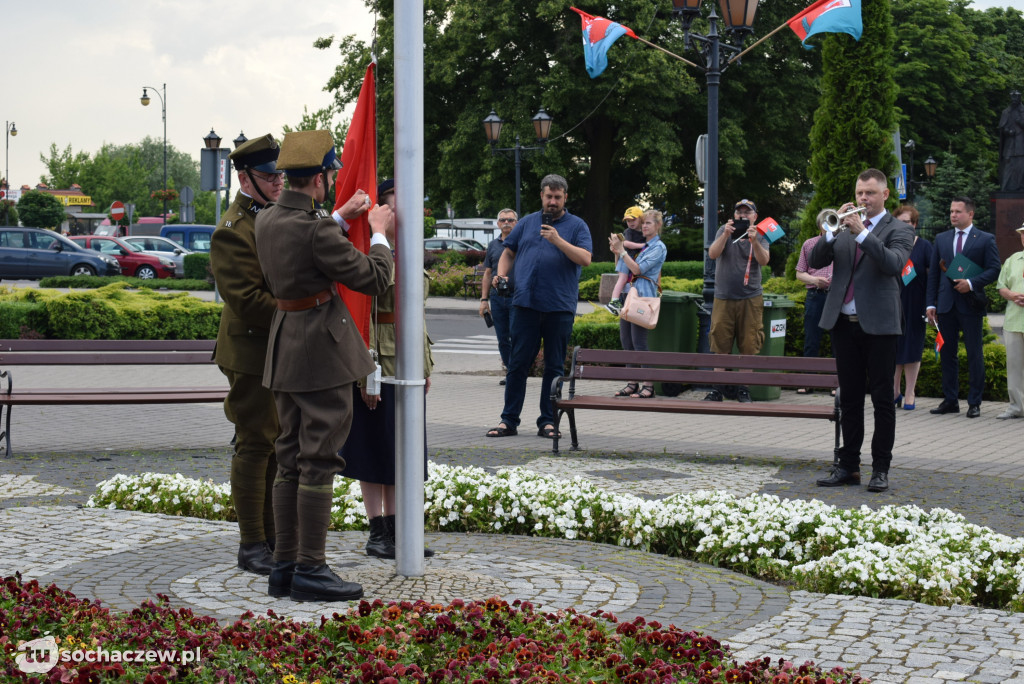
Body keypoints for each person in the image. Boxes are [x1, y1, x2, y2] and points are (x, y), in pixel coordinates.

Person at [254, 129, 394, 602]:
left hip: (285, 348)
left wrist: (337, 218)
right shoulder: (315, 229)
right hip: (320, 353)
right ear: (317, 179)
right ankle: (312, 568)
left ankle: (285, 565)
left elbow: (310, 241)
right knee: (318, 460)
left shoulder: (268, 220)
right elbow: (373, 278)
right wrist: (378, 233)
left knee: (290, 457)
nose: (332, 180)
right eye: (330, 174)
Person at [340, 179, 435, 559]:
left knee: (402, 451)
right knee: (373, 449)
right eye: (395, 206)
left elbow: (418, 318)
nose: (402, 214)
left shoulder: (407, 250)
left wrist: (425, 366)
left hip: (408, 362)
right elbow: (364, 316)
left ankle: (397, 531)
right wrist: (367, 373)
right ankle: (377, 531)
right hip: (379, 366)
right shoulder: (370, 250)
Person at [809, 168, 914, 493]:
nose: (863, 199)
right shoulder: (841, 227)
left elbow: (894, 264)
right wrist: (831, 231)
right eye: (859, 194)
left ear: (884, 195)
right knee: (850, 398)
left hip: (880, 325)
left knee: (883, 398)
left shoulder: (899, 229)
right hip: (843, 321)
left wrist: (863, 234)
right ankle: (848, 466)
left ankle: (880, 468)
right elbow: (814, 259)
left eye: (869, 193)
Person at [209, 134, 286, 576]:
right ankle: (251, 543)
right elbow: (247, 299)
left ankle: (272, 537)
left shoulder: (272, 216)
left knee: (275, 444)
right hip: (251, 349)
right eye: (268, 175)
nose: (278, 181)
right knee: (254, 443)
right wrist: (299, 309)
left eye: (280, 173)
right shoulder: (233, 228)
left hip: (278, 347)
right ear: (244, 178)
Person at [485, 174, 593, 439]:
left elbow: (586, 258)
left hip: (559, 307)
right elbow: (508, 251)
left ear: (565, 197)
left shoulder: (577, 226)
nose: (552, 201)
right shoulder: (527, 222)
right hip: (525, 305)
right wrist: (502, 275)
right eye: (548, 196)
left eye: (557, 197)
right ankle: (508, 420)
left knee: (554, 367)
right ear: (542, 196)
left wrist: (557, 240)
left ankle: (548, 421)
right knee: (518, 365)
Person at [926, 196, 1001, 418]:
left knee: (974, 354)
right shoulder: (941, 238)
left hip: (970, 305)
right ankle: (950, 400)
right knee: (947, 354)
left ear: (971, 214)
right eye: (951, 211)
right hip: (946, 306)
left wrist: (971, 283)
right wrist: (931, 303)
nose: (953, 215)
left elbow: (994, 268)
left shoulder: (985, 239)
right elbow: (933, 275)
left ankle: (974, 403)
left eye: (958, 211)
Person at [704, 199, 770, 403]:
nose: (743, 216)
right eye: (739, 212)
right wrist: (725, 234)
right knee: (720, 342)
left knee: (749, 344)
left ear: (755, 216)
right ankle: (717, 389)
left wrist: (754, 242)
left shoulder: (761, 233)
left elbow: (764, 260)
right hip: (723, 296)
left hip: (750, 297)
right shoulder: (725, 229)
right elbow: (713, 254)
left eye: (747, 213)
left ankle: (743, 388)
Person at [608, 209, 668, 398]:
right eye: (643, 223)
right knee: (626, 341)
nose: (644, 226)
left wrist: (623, 250)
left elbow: (638, 269)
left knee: (639, 342)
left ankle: (648, 386)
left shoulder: (658, 247)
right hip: (628, 296)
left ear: (658, 225)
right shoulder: (642, 247)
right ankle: (632, 382)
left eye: (648, 223)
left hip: (642, 298)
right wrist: (617, 252)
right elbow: (621, 268)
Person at [892, 204, 930, 411]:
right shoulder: (889, 244)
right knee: (893, 349)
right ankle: (895, 391)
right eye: (898, 221)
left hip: (916, 304)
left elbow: (933, 274)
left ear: (914, 224)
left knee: (912, 349)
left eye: (906, 222)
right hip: (893, 302)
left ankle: (910, 393)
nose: (902, 225)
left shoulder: (924, 246)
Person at [794, 210, 834, 393]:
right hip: (815, 294)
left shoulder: (842, 242)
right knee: (811, 339)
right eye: (825, 222)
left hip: (836, 296)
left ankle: (837, 383)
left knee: (838, 341)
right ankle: (807, 381)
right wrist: (814, 280)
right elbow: (799, 272)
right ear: (819, 225)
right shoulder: (809, 244)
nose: (828, 225)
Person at [479, 208, 518, 384]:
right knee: (503, 338)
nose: (506, 223)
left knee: (517, 335)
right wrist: (484, 300)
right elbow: (487, 274)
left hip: (517, 296)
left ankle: (519, 371)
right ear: (497, 224)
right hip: (497, 297)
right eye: (503, 220)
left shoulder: (522, 243)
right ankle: (511, 373)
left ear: (517, 223)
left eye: (510, 220)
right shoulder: (493, 246)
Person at [997, 222, 1024, 419]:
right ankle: (1016, 407)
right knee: (1014, 367)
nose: (1023, 237)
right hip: (1014, 321)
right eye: (1022, 234)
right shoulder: (1013, 259)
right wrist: (1013, 295)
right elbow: (1001, 286)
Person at [606, 206, 645, 315]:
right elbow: (625, 243)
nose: (630, 222)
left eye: (633, 219)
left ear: (641, 219)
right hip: (625, 258)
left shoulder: (644, 233)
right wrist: (642, 245)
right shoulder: (629, 231)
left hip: (632, 260)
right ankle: (614, 301)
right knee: (622, 279)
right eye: (628, 220)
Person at [998, 90, 1024, 192]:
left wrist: (1020, 122)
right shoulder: (1006, 112)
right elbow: (1002, 128)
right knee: (1007, 165)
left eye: (1016, 99)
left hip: (1021, 145)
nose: (1014, 101)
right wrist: (1008, 131)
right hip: (1009, 144)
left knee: (1021, 166)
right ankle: (1005, 188)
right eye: (1012, 99)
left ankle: (1021, 187)